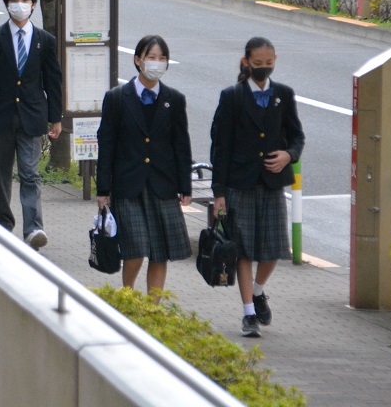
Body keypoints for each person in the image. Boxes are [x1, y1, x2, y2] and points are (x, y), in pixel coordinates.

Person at [211, 36, 305, 338]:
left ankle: (259, 290)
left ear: (275, 60)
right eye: (257, 64)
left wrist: (288, 155)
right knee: (244, 252)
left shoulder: (284, 95)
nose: (263, 68)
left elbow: (297, 136)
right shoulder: (232, 97)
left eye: (268, 63)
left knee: (274, 249)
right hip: (241, 182)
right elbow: (220, 147)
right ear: (246, 63)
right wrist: (220, 193)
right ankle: (249, 313)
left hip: (273, 183)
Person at [95, 35, 193, 297]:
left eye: (162, 58)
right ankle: (128, 298)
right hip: (128, 185)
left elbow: (181, 145)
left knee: (160, 252)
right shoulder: (117, 98)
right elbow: (106, 145)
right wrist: (103, 189)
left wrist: (185, 185)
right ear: (138, 60)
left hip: (163, 184)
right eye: (151, 57)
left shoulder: (174, 99)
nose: (157, 63)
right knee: (136, 249)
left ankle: (153, 310)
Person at [0, 0, 62, 250]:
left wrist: (56, 118)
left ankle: (34, 228)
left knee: (30, 173)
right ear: (7, 4)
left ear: (34, 5)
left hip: (33, 117)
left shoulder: (45, 41)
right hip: (0, 118)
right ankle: (2, 224)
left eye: (26, 0)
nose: (20, 5)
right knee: (1, 175)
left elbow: (53, 81)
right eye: (15, 0)